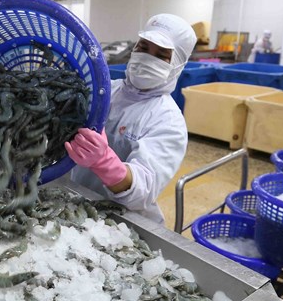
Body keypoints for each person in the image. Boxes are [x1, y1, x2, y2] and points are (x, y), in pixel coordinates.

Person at [65, 14, 196, 224]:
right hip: (78, 198)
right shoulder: (107, 91)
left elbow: (143, 192)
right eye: (143, 47)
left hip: (123, 221)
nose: (147, 58)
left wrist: (104, 163)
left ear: (177, 65)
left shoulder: (169, 121)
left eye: (161, 55)